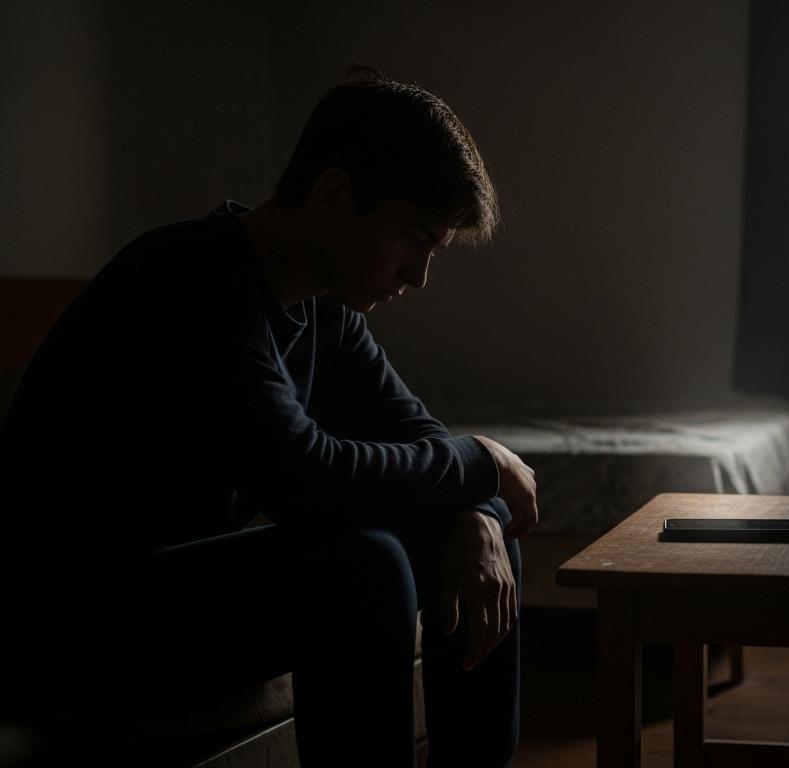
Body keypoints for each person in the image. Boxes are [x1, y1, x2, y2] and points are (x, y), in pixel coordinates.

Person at [0, 67, 535, 767]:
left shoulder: (322, 308)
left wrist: (479, 511)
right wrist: (479, 464)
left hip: (161, 601)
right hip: (66, 618)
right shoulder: (193, 279)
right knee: (362, 565)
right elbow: (304, 475)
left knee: (481, 545)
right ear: (333, 193)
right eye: (411, 239)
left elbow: (422, 442)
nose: (417, 276)